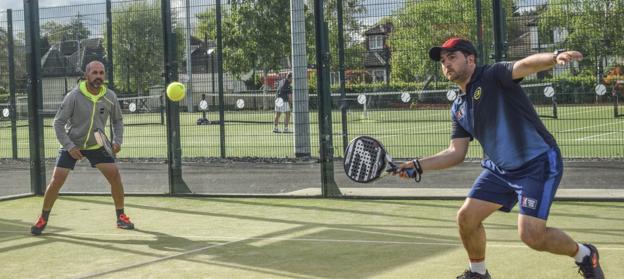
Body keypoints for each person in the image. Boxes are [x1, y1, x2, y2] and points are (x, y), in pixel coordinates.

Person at [397, 38, 603, 279]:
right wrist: (417, 165)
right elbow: (456, 152)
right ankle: (478, 273)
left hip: (537, 162)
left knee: (531, 235)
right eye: (443, 61)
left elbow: (525, 65)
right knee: (466, 217)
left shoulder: (493, 75)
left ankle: (585, 254)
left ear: (470, 59)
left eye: (452, 57)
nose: (446, 65)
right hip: (499, 170)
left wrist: (554, 56)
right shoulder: (458, 108)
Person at [30, 61, 134, 235]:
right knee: (57, 180)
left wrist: (117, 140)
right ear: (86, 75)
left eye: (101, 73)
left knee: (115, 176)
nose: (98, 76)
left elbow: (118, 120)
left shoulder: (110, 96)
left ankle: (120, 217)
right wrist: (69, 147)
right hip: (72, 144)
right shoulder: (74, 96)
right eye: (94, 73)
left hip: (97, 144)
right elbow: (58, 123)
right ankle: (43, 218)